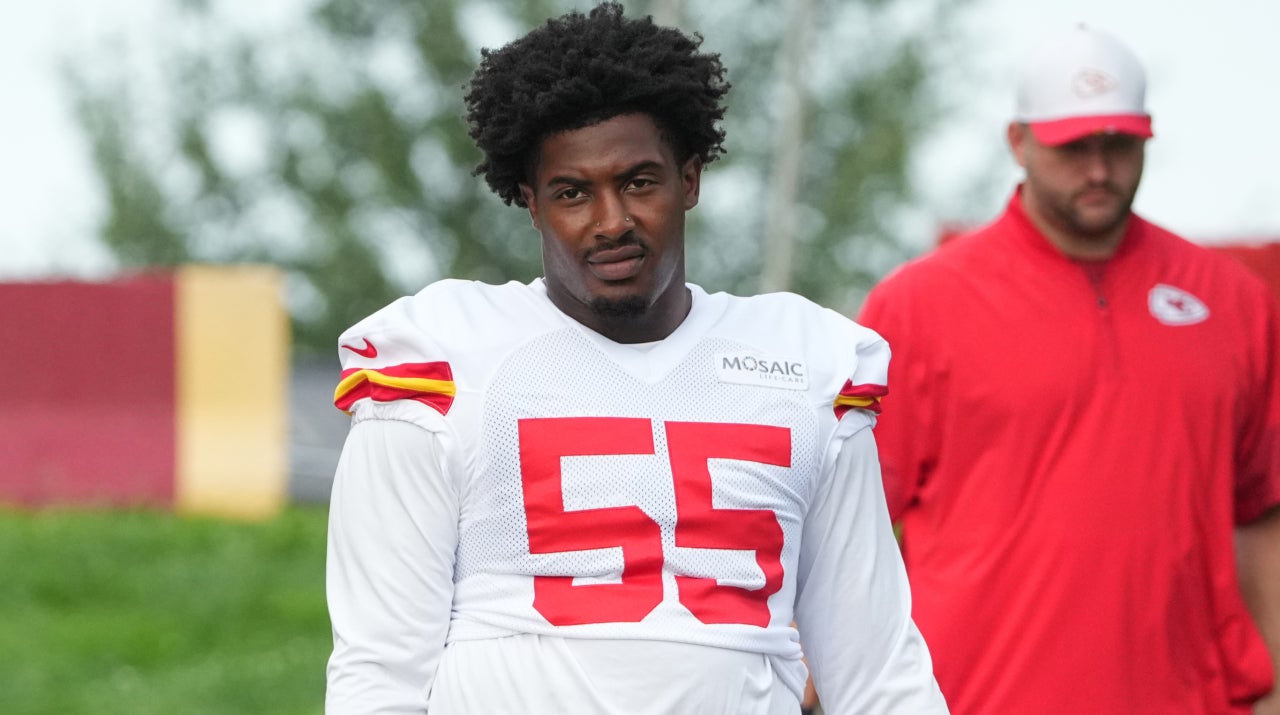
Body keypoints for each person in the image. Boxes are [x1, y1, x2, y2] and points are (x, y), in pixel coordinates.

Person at [323, 4, 947, 713]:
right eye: (573, 193)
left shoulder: (805, 362)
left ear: (690, 180)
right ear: (531, 204)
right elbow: (379, 667)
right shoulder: (444, 358)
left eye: (639, 182)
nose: (612, 220)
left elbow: (876, 665)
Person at [857, 23, 1280, 715]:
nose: (1099, 169)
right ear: (1018, 141)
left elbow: (1263, 511)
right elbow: (846, 521)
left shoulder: (1234, 302)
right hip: (969, 699)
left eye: (1119, 143)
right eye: (1073, 146)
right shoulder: (916, 306)